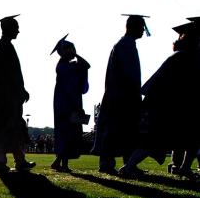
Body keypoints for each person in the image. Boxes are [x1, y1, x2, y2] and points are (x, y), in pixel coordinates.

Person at [120, 21, 200, 179]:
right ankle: (128, 167)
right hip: (165, 106)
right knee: (154, 140)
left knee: (190, 137)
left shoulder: (180, 56)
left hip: (165, 104)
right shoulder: (186, 58)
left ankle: (184, 168)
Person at [92, 14, 150, 175]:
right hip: (122, 96)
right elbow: (129, 74)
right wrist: (136, 93)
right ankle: (107, 163)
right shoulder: (125, 45)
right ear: (133, 27)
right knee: (115, 130)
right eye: (141, 27)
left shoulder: (126, 44)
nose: (143, 31)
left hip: (121, 95)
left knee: (126, 131)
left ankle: (126, 162)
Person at [0, 14, 35, 174]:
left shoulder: (3, 47)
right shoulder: (5, 48)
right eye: (16, 28)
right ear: (9, 29)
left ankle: (17, 160)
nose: (18, 31)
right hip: (6, 101)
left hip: (4, 99)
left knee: (13, 129)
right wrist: (20, 91)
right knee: (9, 129)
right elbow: (12, 75)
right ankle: (3, 162)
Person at [50, 35, 90, 172]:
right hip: (67, 105)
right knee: (67, 133)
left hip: (66, 104)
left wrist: (75, 55)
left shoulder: (66, 66)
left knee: (67, 133)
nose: (74, 51)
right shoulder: (64, 68)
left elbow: (86, 66)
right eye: (71, 49)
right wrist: (77, 107)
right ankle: (63, 164)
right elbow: (72, 88)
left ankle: (58, 162)